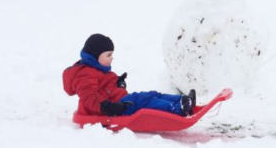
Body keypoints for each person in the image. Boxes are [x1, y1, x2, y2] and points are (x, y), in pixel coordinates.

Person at [63, 33, 196, 118]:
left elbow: (105, 87)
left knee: (150, 95)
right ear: (95, 56)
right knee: (146, 102)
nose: (112, 58)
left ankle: (181, 100)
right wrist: (108, 107)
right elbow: (90, 97)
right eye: (108, 55)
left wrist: (118, 83)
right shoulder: (85, 75)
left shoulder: (97, 69)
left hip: (120, 101)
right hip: (112, 109)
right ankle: (178, 109)